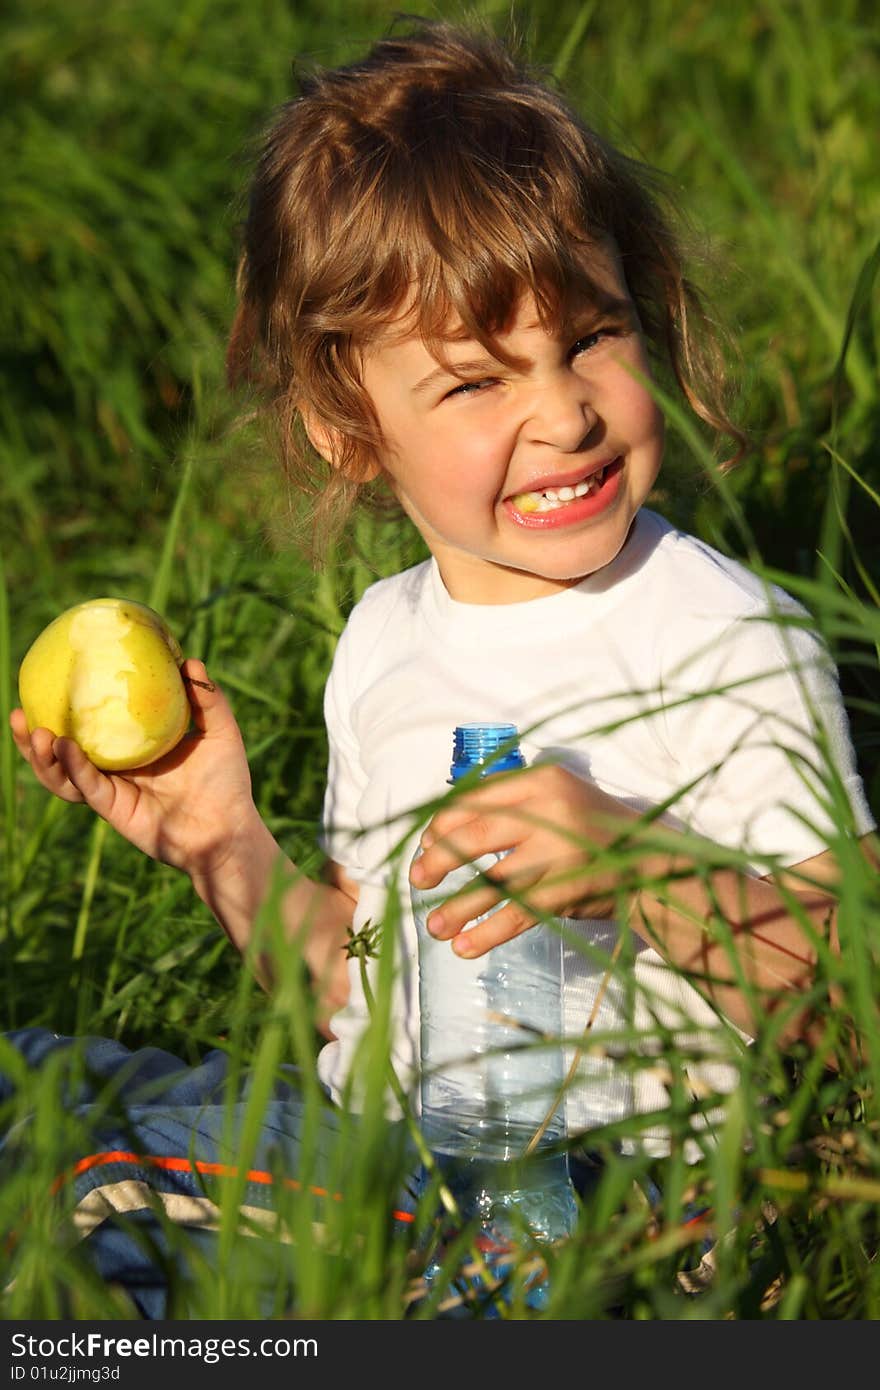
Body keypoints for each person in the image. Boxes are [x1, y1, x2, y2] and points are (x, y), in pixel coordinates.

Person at [7, 18, 876, 1316]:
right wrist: (221, 841)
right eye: (478, 380)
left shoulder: (719, 631)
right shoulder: (384, 642)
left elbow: (849, 994)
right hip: (400, 1156)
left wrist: (649, 867)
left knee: (81, 1174)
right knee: (29, 1083)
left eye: (591, 336)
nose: (564, 409)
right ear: (350, 427)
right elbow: (361, 1004)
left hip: (617, 1200)